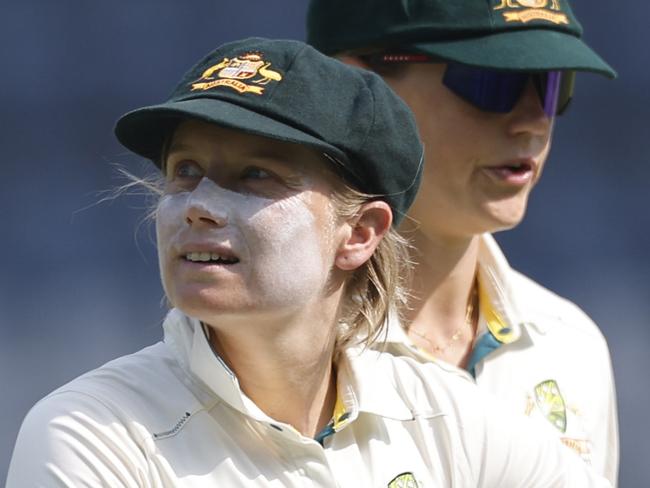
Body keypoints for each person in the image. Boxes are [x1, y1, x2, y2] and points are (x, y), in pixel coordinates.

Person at [7, 37, 613, 487]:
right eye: (184, 171)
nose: (199, 207)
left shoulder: (457, 421)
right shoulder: (89, 435)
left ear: (360, 233)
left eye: (256, 175)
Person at [306, 0, 619, 484]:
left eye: (554, 84)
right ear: (356, 89)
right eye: (494, 81)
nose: (534, 119)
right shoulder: (274, 353)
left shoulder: (570, 345)